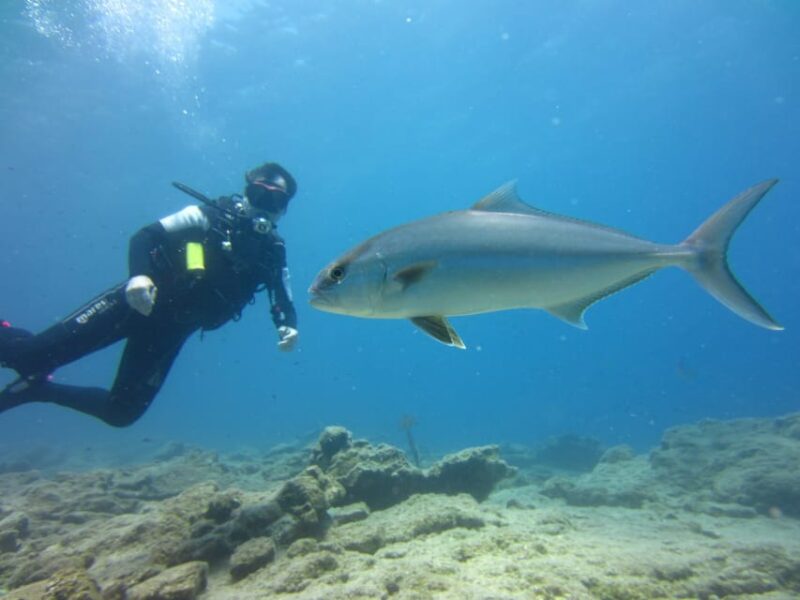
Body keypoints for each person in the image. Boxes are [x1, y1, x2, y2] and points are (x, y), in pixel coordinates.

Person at [0, 162, 299, 427]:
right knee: (27, 357)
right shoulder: (207, 216)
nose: (265, 206)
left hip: (170, 333)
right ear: (246, 194)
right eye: (259, 195)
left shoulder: (273, 252)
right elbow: (146, 236)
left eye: (276, 201)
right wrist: (139, 275)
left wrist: (288, 325)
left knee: (121, 413)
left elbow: (283, 296)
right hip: (131, 305)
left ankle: (37, 390)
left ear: (283, 210)